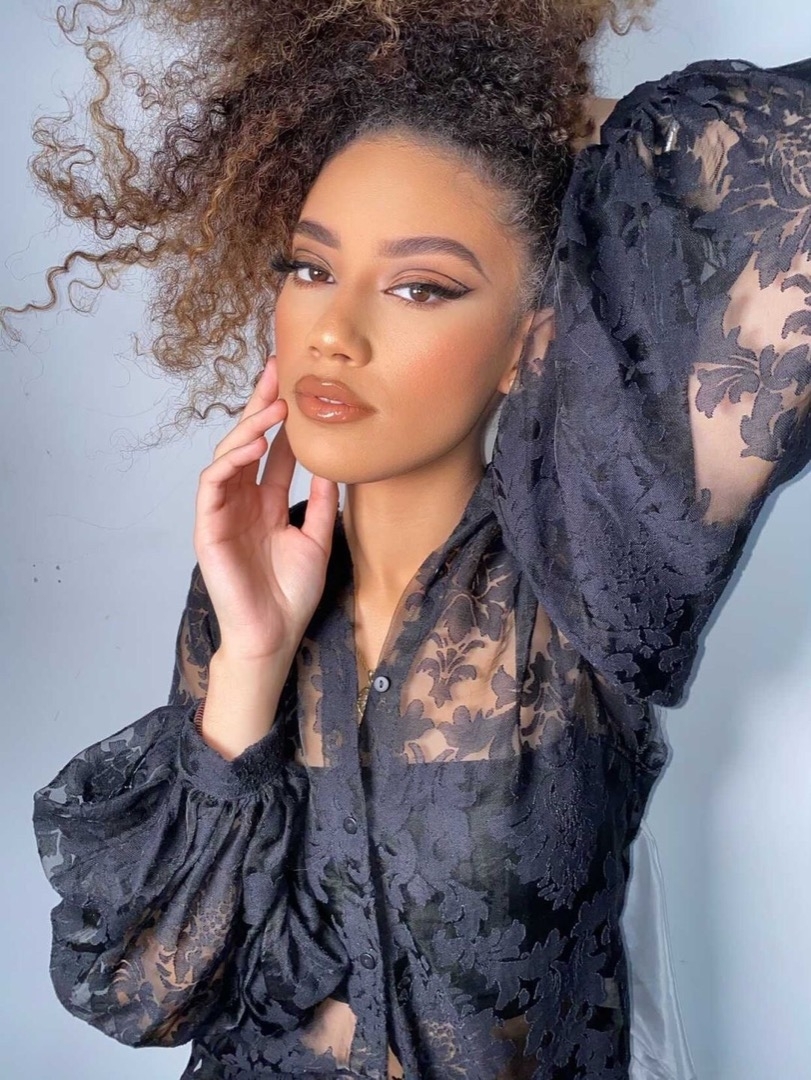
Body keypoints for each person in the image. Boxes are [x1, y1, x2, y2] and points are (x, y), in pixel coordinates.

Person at [16, 1, 810, 1077]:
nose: (334, 332)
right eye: (309, 268)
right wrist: (250, 659)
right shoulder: (246, 591)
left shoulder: (593, 567)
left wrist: (548, 138)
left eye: (418, 286)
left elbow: (787, 169)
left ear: (531, 344)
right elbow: (144, 992)